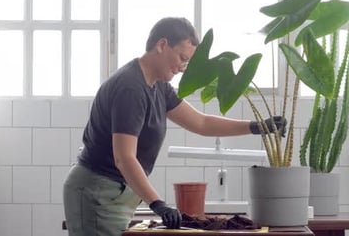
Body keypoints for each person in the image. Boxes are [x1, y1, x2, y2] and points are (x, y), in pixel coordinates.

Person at [63, 17, 286, 236]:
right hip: (97, 194)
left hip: (115, 193)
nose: (182, 68)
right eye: (181, 57)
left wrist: (257, 126)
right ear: (162, 45)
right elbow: (124, 158)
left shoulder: (158, 86)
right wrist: (157, 203)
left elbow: (201, 123)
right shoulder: (131, 88)